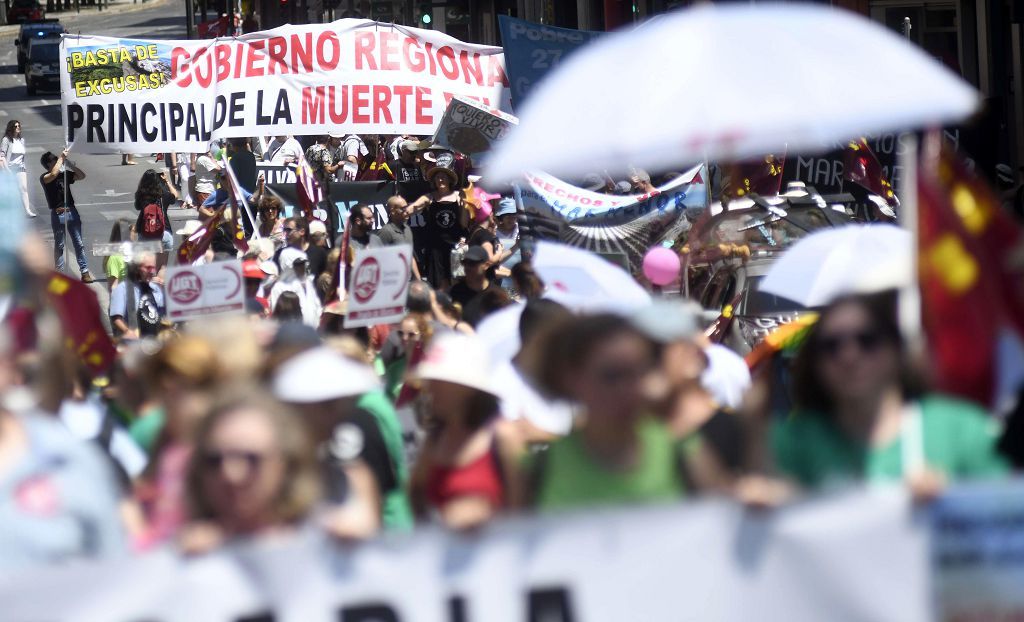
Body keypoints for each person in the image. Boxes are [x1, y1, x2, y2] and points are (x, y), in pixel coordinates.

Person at [766, 293, 1008, 496]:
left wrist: (955, 501)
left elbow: (1007, 520)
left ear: (896, 349)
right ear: (814, 362)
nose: (849, 356)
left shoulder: (962, 431)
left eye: (867, 340)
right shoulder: (791, 443)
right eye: (832, 346)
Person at [526, 313, 690, 512]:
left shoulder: (680, 449)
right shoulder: (538, 468)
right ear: (570, 378)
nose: (628, 390)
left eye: (637, 373)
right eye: (611, 376)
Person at [273, 347, 406, 537]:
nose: (341, 411)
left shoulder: (355, 472)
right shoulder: (276, 467)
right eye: (330, 405)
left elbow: (367, 520)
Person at [180, 388, 321, 553]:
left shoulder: (325, 547)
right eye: (215, 460)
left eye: (250, 459)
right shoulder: (185, 558)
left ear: (285, 463)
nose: (231, 474)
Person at [408, 333, 522, 529]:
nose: (430, 388)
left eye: (440, 381)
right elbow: (415, 492)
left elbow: (523, 511)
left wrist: (485, 521)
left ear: (466, 387)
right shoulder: (435, 437)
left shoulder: (503, 437)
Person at [408, 167, 468, 290]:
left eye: (444, 177)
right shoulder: (429, 197)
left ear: (450, 179)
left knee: (458, 282)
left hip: (456, 246)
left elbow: (464, 223)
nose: (441, 180)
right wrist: (401, 209)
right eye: (438, 177)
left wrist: (464, 204)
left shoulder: (459, 196)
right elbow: (413, 208)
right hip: (436, 248)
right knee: (440, 285)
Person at [39, 150, 94, 282]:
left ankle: (85, 271)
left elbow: (81, 176)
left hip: (71, 210)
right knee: (59, 245)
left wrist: (70, 165)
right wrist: (62, 158)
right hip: (58, 213)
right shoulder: (45, 177)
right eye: (54, 159)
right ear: (48, 164)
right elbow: (53, 174)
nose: (57, 159)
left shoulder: (64, 175)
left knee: (79, 243)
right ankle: (59, 273)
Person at [109, 253, 166, 340]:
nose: (152, 271)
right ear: (137, 269)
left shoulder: (155, 288)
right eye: (148, 268)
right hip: (135, 343)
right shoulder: (123, 288)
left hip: (155, 340)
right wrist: (128, 332)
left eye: (153, 268)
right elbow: (116, 317)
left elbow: (163, 313)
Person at [449, 246, 505, 327]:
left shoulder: (497, 295)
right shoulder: (455, 292)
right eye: (465, 263)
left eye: (472, 263)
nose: (467, 267)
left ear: (486, 265)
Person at [269, 248, 322, 328]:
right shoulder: (279, 287)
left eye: (302, 264)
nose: (301, 267)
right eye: (297, 265)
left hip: (312, 334)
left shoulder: (308, 283)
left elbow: (316, 306)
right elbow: (277, 314)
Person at [376, 196, 421, 280]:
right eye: (403, 208)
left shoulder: (407, 229)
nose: (407, 210)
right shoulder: (386, 232)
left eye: (407, 206)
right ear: (393, 211)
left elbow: (410, 256)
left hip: (408, 282)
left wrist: (418, 279)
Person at [133, 168, 178, 252]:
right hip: (163, 231)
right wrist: (167, 181)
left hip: (145, 231)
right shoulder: (163, 193)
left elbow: (137, 206)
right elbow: (175, 195)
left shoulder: (141, 194)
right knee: (162, 264)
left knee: (146, 262)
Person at [1, 120, 36, 217]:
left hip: (20, 167)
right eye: (15, 126)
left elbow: (22, 155)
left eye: (19, 126)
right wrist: (6, 170)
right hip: (9, 168)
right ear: (11, 128)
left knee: (24, 188)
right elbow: (2, 156)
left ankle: (27, 210)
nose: (18, 128)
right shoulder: (6, 140)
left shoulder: (21, 140)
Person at [105, 219, 133, 293]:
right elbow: (113, 287)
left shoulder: (134, 254)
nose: (135, 234)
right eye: (133, 231)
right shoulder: (114, 258)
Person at [192, 143, 221, 208]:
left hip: (207, 189)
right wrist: (212, 158)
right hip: (205, 190)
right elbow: (218, 169)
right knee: (208, 214)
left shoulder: (202, 158)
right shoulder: (204, 159)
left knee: (208, 214)